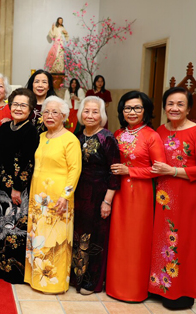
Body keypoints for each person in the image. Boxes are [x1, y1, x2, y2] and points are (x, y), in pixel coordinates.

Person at [148, 87, 196, 310]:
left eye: (180, 104)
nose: (174, 108)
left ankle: (181, 293)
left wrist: (173, 171)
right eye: (170, 104)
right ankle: (159, 286)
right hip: (163, 193)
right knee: (161, 239)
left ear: (188, 108)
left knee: (181, 240)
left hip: (186, 193)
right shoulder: (160, 130)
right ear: (164, 106)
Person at [106, 91, 166, 301]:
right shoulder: (118, 134)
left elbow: (159, 169)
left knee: (136, 239)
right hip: (118, 192)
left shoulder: (152, 135)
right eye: (127, 108)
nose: (132, 112)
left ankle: (133, 289)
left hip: (140, 194)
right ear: (122, 111)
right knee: (118, 238)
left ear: (145, 111)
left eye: (137, 108)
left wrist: (129, 171)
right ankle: (114, 285)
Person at [24, 96, 82, 293]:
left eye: (54, 112)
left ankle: (54, 283)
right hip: (38, 195)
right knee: (38, 235)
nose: (49, 116)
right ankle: (35, 279)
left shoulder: (70, 139)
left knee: (56, 239)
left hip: (58, 197)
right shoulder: (39, 137)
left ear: (64, 116)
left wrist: (65, 196)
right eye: (46, 112)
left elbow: (75, 170)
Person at [70, 96, 120, 295]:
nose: (90, 115)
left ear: (102, 115)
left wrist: (107, 201)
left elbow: (114, 172)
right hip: (78, 193)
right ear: (80, 114)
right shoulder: (76, 136)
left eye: (95, 112)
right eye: (86, 111)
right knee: (77, 236)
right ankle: (76, 277)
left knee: (95, 238)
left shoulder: (107, 138)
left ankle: (92, 282)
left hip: (98, 195)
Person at [0, 88, 39, 284]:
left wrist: (18, 188)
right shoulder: (4, 128)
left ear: (30, 109)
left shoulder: (31, 130)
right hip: (2, 186)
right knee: (2, 225)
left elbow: (28, 162)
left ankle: (15, 272)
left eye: (23, 105)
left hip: (19, 189)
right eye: (15, 104)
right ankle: (1, 268)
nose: (18, 108)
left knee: (16, 227)